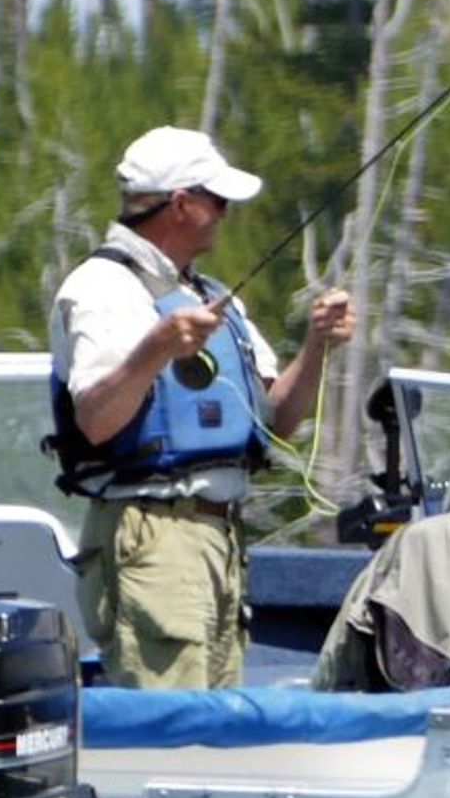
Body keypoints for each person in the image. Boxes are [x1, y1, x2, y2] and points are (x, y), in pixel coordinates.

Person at [48, 126, 354, 688]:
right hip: (155, 536)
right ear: (181, 204)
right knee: (172, 722)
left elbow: (276, 420)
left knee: (215, 725)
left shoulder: (204, 292)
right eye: (218, 200)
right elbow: (95, 420)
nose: (227, 212)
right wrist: (158, 348)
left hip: (220, 541)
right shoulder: (103, 289)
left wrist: (317, 346)